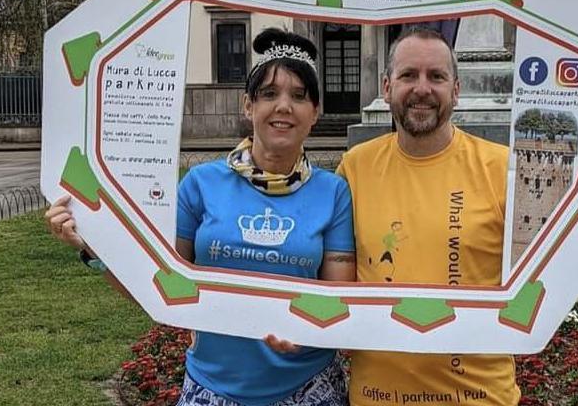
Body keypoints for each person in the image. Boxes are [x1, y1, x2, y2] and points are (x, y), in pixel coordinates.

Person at [335, 26, 578, 405]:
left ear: (456, 91)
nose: (422, 88)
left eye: (436, 77)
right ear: (387, 86)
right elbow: (327, 270)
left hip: (479, 397)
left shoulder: (505, 168)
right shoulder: (355, 168)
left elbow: (563, 246)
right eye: (409, 75)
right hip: (376, 397)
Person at [45, 28, 356, 406]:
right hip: (213, 389)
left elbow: (339, 296)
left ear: (315, 112)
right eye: (269, 94)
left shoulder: (333, 192)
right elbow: (157, 287)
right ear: (248, 106)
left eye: (299, 96)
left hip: (308, 389)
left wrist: (308, 330)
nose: (284, 106)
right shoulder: (201, 184)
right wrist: (94, 249)